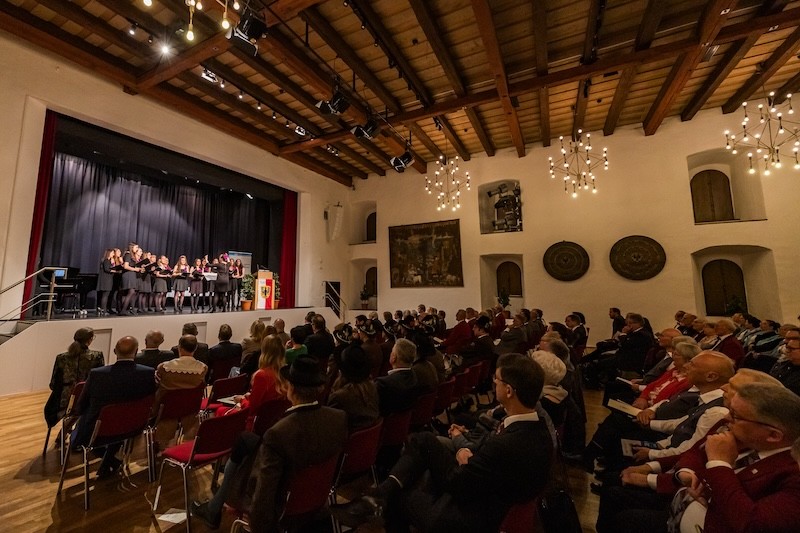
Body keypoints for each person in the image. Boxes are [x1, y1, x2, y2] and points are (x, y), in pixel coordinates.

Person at [332, 353, 553, 532]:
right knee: (424, 441)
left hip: (472, 515)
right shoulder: (539, 429)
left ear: (509, 391)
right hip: (488, 495)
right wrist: (470, 457)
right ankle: (379, 495)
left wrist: (464, 456)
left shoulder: (506, 443)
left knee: (399, 495)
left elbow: (459, 485)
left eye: (497, 379)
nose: (494, 382)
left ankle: (380, 496)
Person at [192, 357, 347, 530]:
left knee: (243, 444)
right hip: (317, 500)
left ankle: (215, 507)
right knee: (244, 440)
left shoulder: (279, 433)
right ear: (320, 388)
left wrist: (260, 526)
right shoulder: (338, 418)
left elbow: (265, 491)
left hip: (284, 507)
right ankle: (215, 505)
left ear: (290, 388)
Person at [70, 336, 156, 478]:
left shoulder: (97, 374)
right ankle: (111, 460)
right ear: (136, 352)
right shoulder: (148, 372)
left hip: (98, 433)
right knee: (118, 419)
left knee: (92, 423)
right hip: (134, 426)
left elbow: (81, 406)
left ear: (115, 351)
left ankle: (110, 459)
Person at [154, 334, 208, 449]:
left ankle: (160, 446)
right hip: (190, 410)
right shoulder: (203, 368)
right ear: (195, 348)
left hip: (166, 412)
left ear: (179, 347)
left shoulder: (164, 368)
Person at [221, 335, 285, 431]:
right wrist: (249, 397)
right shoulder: (284, 372)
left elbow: (252, 409)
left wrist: (241, 400)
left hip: (257, 423)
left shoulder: (262, 375)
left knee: (221, 411)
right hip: (275, 423)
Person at [45, 327, 105, 428]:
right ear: (89, 340)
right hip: (86, 402)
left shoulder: (61, 358)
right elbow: (99, 382)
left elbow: (53, 385)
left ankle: (65, 432)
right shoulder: (97, 356)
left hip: (63, 404)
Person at [327, 343, 380, 431]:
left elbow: (330, 427)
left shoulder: (339, 397)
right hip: (370, 438)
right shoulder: (373, 387)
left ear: (341, 371)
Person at [375, 338, 421, 416]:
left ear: (393, 358)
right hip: (405, 422)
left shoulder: (383, 384)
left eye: (392, 351)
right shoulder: (415, 377)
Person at [119, 242, 142, 315]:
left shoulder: (131, 255)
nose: (137, 249)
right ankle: (123, 310)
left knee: (127, 293)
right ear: (132, 247)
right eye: (136, 247)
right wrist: (135, 269)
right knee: (131, 292)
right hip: (128, 275)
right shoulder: (128, 254)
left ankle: (124, 309)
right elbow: (126, 266)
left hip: (131, 274)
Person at [95, 248, 115, 316]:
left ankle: (103, 309)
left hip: (108, 279)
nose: (113, 254)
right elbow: (107, 269)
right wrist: (114, 269)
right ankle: (104, 310)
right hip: (106, 280)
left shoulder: (108, 260)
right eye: (112, 253)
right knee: (105, 295)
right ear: (109, 253)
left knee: (105, 295)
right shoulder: (106, 260)